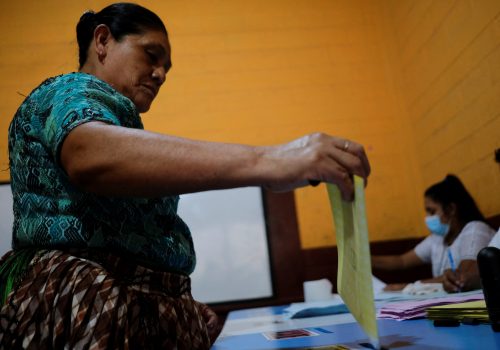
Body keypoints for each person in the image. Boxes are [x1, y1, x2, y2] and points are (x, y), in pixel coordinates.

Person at [0, 3, 371, 349]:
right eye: (151, 55)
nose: (160, 74)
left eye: (166, 67)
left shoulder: (122, 127)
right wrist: (273, 161)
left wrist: (175, 300)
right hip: (89, 308)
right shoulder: (71, 90)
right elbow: (89, 155)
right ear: (102, 40)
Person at [372, 174, 495, 292]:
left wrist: (410, 287)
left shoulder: (475, 230)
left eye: (432, 211)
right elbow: (401, 261)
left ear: (451, 209)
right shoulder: (437, 239)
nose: (428, 218)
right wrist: (363, 260)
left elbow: (462, 276)